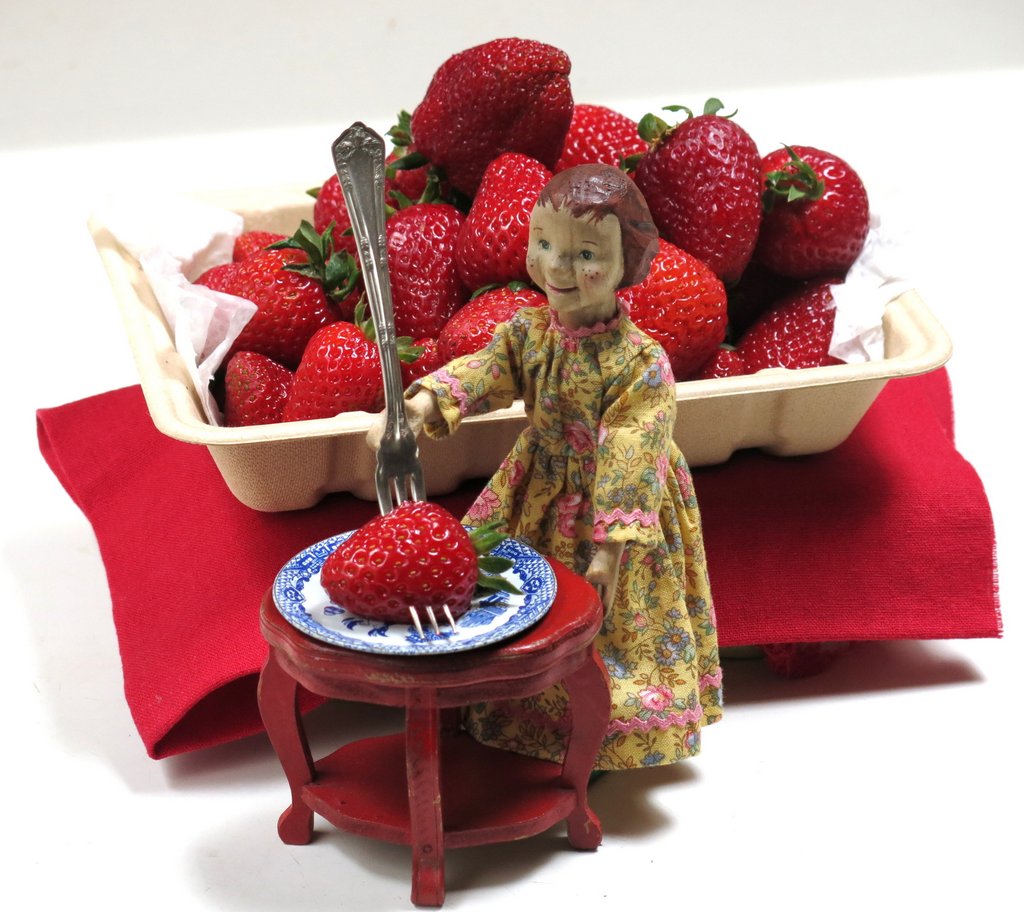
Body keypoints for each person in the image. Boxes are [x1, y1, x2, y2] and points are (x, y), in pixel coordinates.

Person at [374, 163, 722, 770]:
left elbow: (634, 445)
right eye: (544, 243)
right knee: (515, 597)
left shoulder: (640, 362)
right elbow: (485, 369)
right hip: (535, 485)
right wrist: (421, 405)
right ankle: (511, 711)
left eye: (585, 254)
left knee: (607, 621)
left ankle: (603, 738)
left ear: (628, 264)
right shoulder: (530, 333)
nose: (557, 267)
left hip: (615, 509)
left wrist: (610, 546)